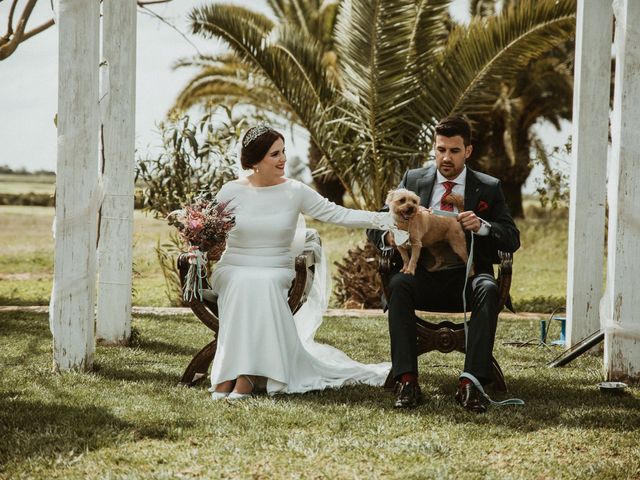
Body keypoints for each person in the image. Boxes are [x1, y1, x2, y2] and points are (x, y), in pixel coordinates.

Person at [208, 124, 393, 400]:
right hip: (234, 264)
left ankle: (244, 378)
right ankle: (229, 375)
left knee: (263, 283)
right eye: (275, 154)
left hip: (275, 267)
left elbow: (338, 214)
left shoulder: (295, 191)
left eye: (284, 152)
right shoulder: (229, 192)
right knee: (241, 281)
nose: (283, 159)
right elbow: (210, 232)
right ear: (255, 161)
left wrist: (385, 219)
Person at [367, 116, 520, 412]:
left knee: (488, 288)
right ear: (433, 149)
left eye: (454, 151)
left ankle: (471, 384)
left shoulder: (488, 187)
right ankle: (407, 380)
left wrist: (484, 226)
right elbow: (376, 223)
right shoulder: (413, 181)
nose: (445, 157)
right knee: (398, 284)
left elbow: (512, 237)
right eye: (440, 150)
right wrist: (390, 234)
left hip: (470, 275)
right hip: (423, 273)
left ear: (468, 151)